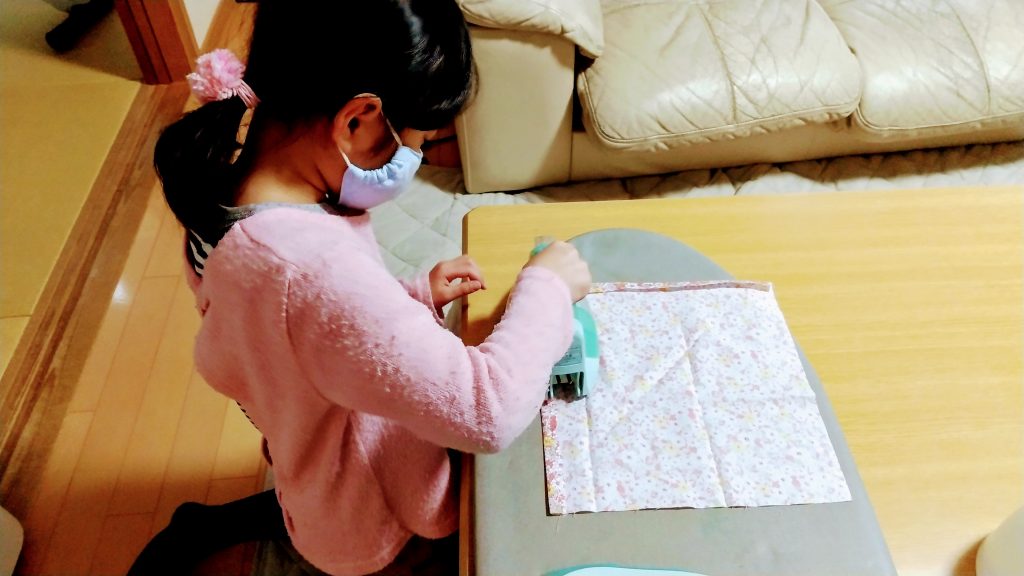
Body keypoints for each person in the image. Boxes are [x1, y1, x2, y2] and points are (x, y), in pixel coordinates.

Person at [128, 1, 591, 574]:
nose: (417, 158)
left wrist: (405, 298)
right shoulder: (310, 270)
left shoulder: (223, 192)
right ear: (357, 120)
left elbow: (295, 334)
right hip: (377, 520)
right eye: (420, 142)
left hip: (316, 464)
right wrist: (548, 287)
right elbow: (486, 409)